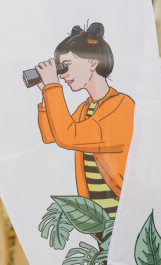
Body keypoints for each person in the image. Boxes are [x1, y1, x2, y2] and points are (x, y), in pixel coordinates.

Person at [35, 22, 135, 220]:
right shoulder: (86, 108)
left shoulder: (121, 106)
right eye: (60, 68)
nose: (63, 74)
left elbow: (67, 136)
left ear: (92, 63)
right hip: (98, 218)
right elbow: (51, 135)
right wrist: (46, 94)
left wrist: (52, 87)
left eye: (67, 65)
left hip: (122, 215)